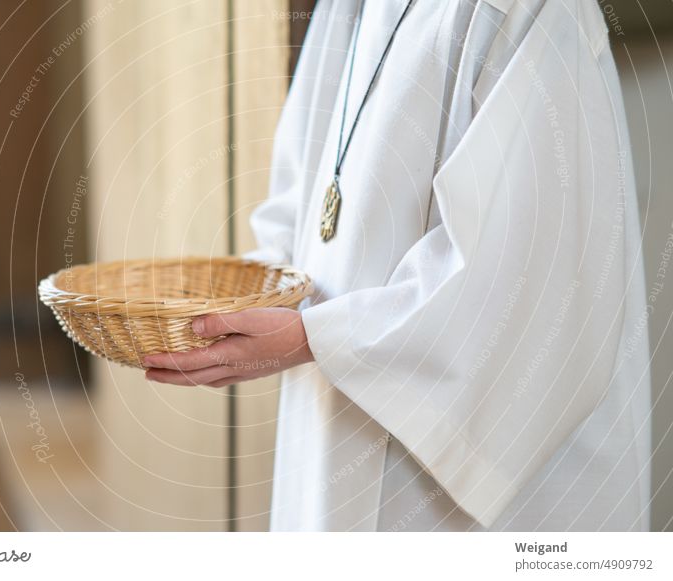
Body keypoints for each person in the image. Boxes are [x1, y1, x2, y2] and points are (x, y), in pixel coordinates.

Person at [142, 0, 652, 531]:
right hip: (332, 412)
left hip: (471, 479)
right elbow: (311, 193)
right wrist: (250, 295)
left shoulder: (536, 12)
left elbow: (524, 268)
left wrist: (309, 338)